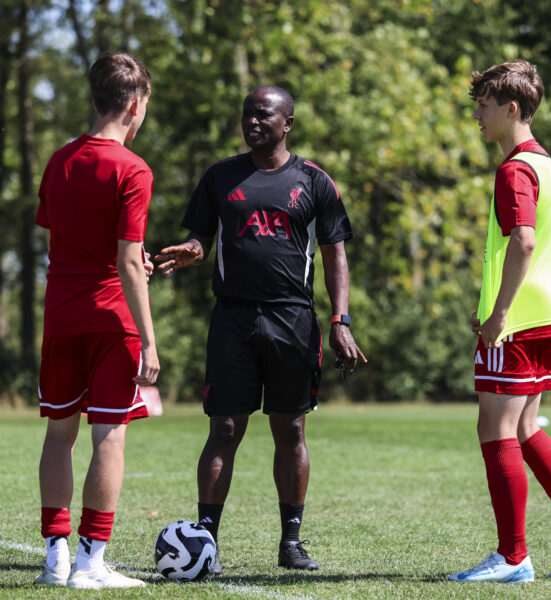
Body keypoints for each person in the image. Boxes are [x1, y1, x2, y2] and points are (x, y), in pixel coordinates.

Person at [156, 85, 366, 573]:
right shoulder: (220, 176)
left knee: (290, 428)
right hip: (232, 318)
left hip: (293, 319)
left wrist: (340, 319)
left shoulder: (314, 180)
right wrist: (192, 249)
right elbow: (200, 237)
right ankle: (205, 544)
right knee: (225, 427)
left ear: (287, 123)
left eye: (263, 114)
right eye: (247, 113)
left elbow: (335, 253)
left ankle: (291, 542)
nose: (252, 121)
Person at [449, 59, 551, 583]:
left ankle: (513, 558)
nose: (477, 117)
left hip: (517, 321)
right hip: (546, 312)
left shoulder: (514, 168)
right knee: (526, 428)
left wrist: (498, 314)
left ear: (511, 109)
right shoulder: (545, 164)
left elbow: (524, 241)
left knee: (495, 427)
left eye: (484, 107)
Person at [34, 52, 159, 589]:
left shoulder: (59, 161)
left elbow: (66, 240)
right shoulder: (133, 168)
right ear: (135, 105)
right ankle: (91, 563)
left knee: (59, 433)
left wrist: (123, 258)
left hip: (61, 316)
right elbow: (127, 261)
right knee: (108, 434)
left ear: (95, 99)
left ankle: (55, 557)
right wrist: (149, 340)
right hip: (112, 319)